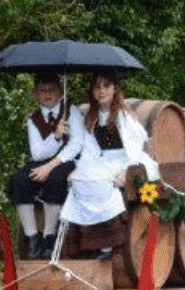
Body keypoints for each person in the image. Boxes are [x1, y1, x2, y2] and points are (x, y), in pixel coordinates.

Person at [60, 73, 160, 249]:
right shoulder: (92, 117)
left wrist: (128, 170)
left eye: (106, 86)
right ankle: (84, 236)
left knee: (107, 183)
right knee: (81, 180)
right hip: (103, 160)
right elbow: (91, 151)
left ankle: (110, 236)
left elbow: (134, 148)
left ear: (115, 89)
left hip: (124, 158)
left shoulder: (123, 115)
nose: (101, 91)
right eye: (97, 87)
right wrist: (80, 169)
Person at [9, 73, 85, 258]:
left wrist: (50, 166)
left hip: (68, 160)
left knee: (55, 178)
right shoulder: (33, 120)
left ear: (59, 92)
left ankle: (49, 237)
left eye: (51, 89)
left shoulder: (71, 111)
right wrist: (56, 136)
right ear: (36, 94)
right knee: (19, 180)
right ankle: (32, 237)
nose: (47, 94)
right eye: (42, 91)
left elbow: (76, 145)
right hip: (42, 161)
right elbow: (37, 153)